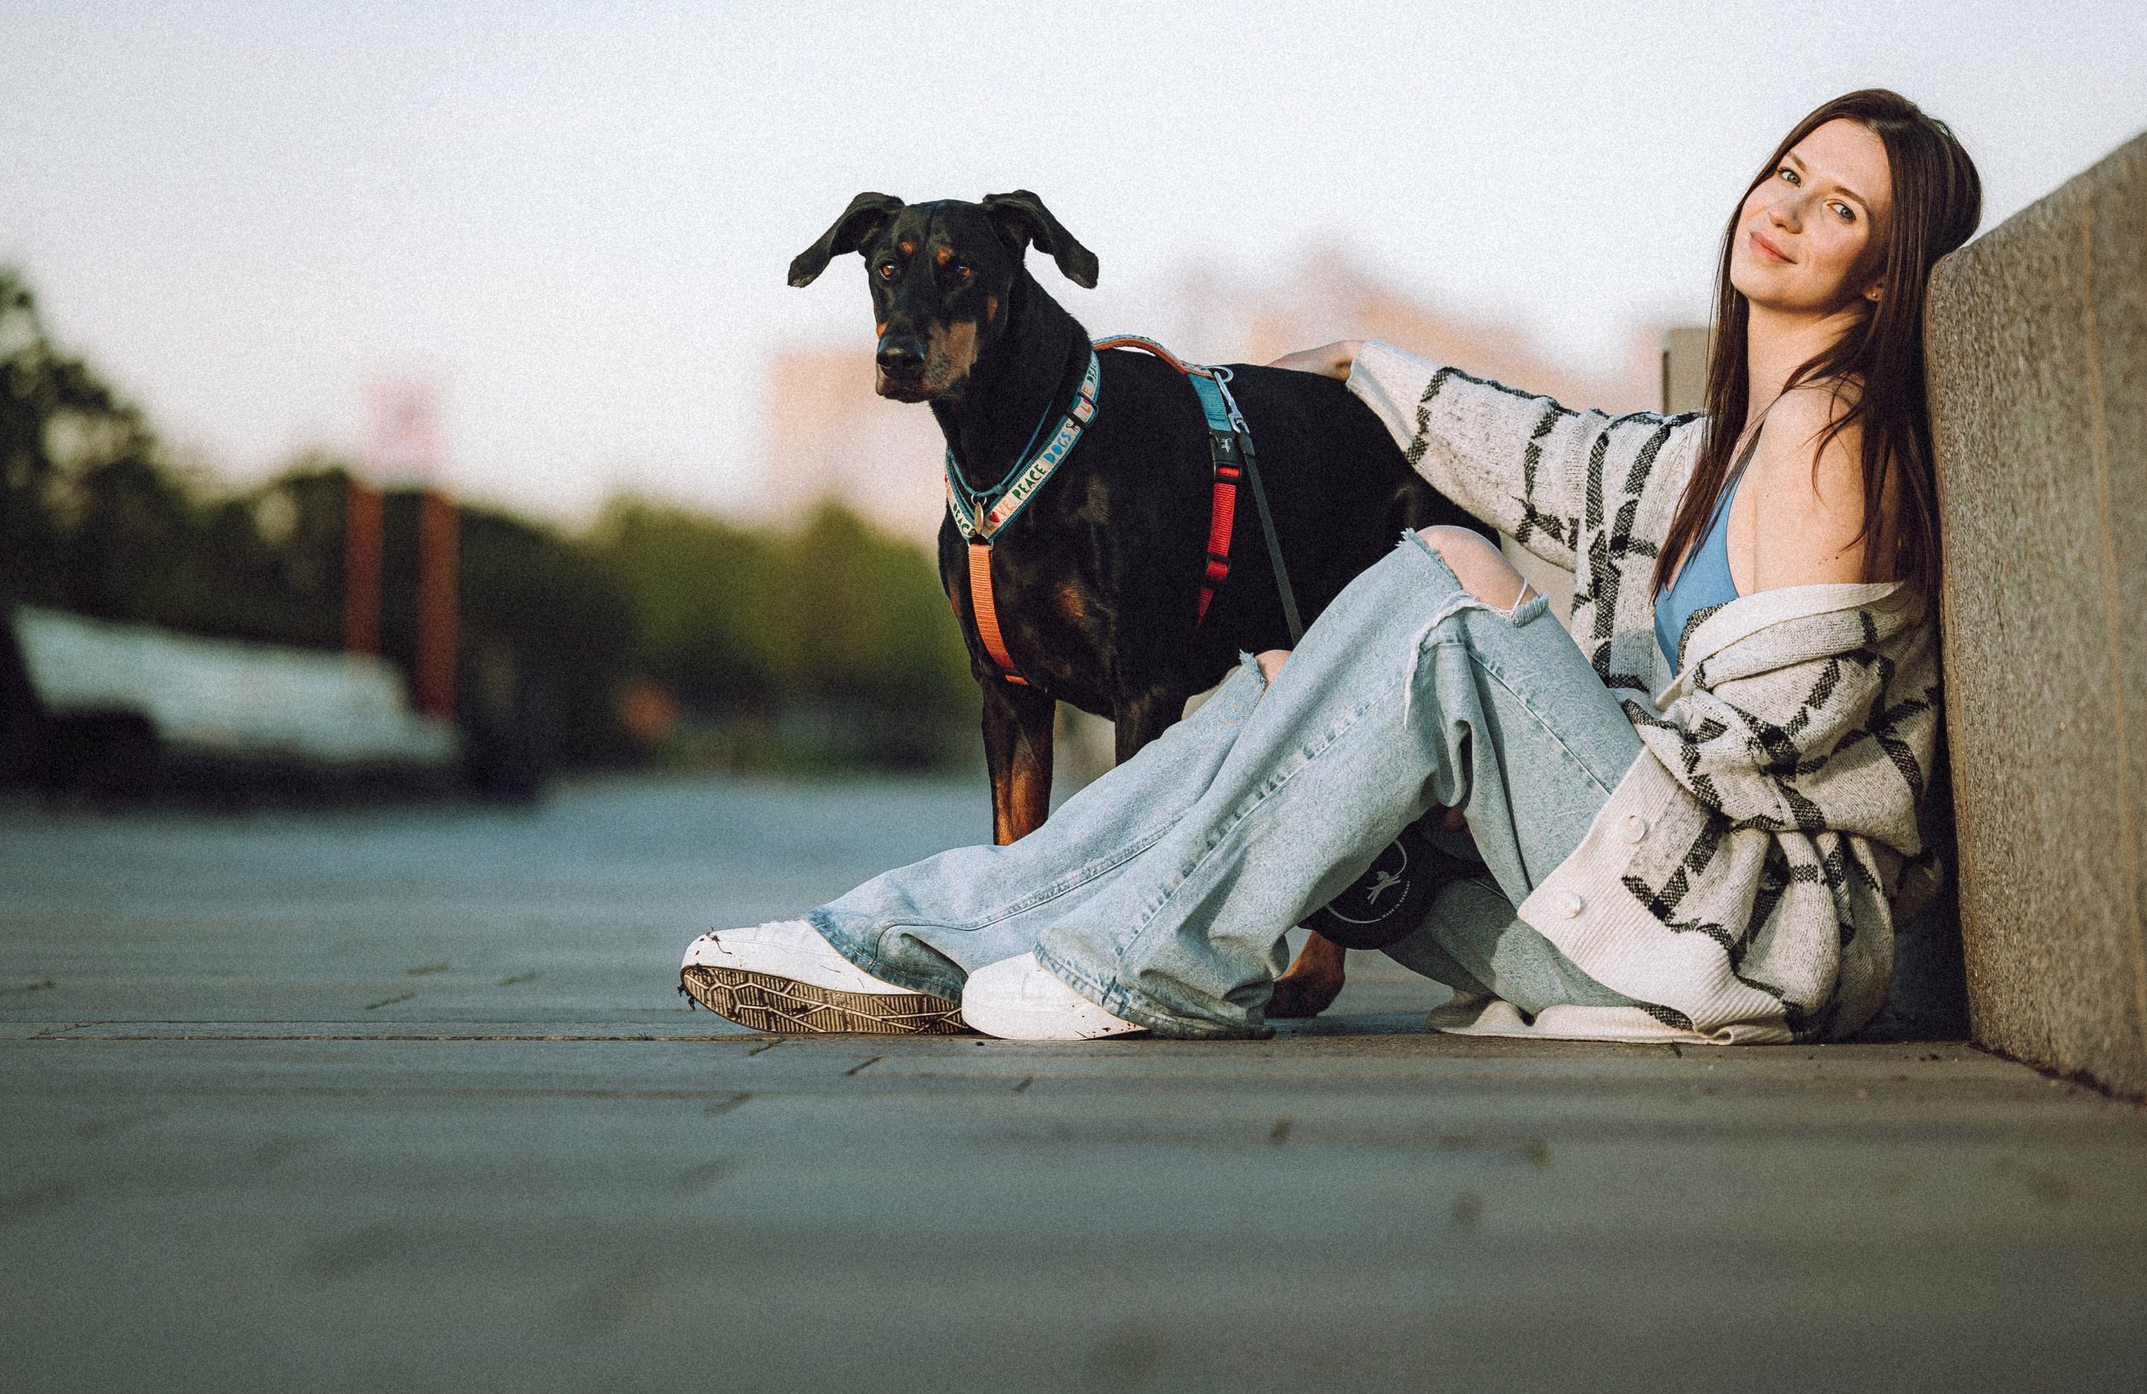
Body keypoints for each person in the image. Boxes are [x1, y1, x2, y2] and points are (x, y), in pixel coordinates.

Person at [680, 88, 1983, 1044]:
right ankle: (908, 933)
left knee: (1428, 606)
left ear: (1882, 275)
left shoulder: (1833, 440)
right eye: (1791, 172)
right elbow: (1553, 452)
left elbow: (1751, 774)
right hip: (1602, 921)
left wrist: (1511, 667)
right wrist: (1350, 368)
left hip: (1727, 938)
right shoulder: (1725, 442)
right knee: (1292, 670)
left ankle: (1125, 961)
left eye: (1844, 206)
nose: (1791, 209)